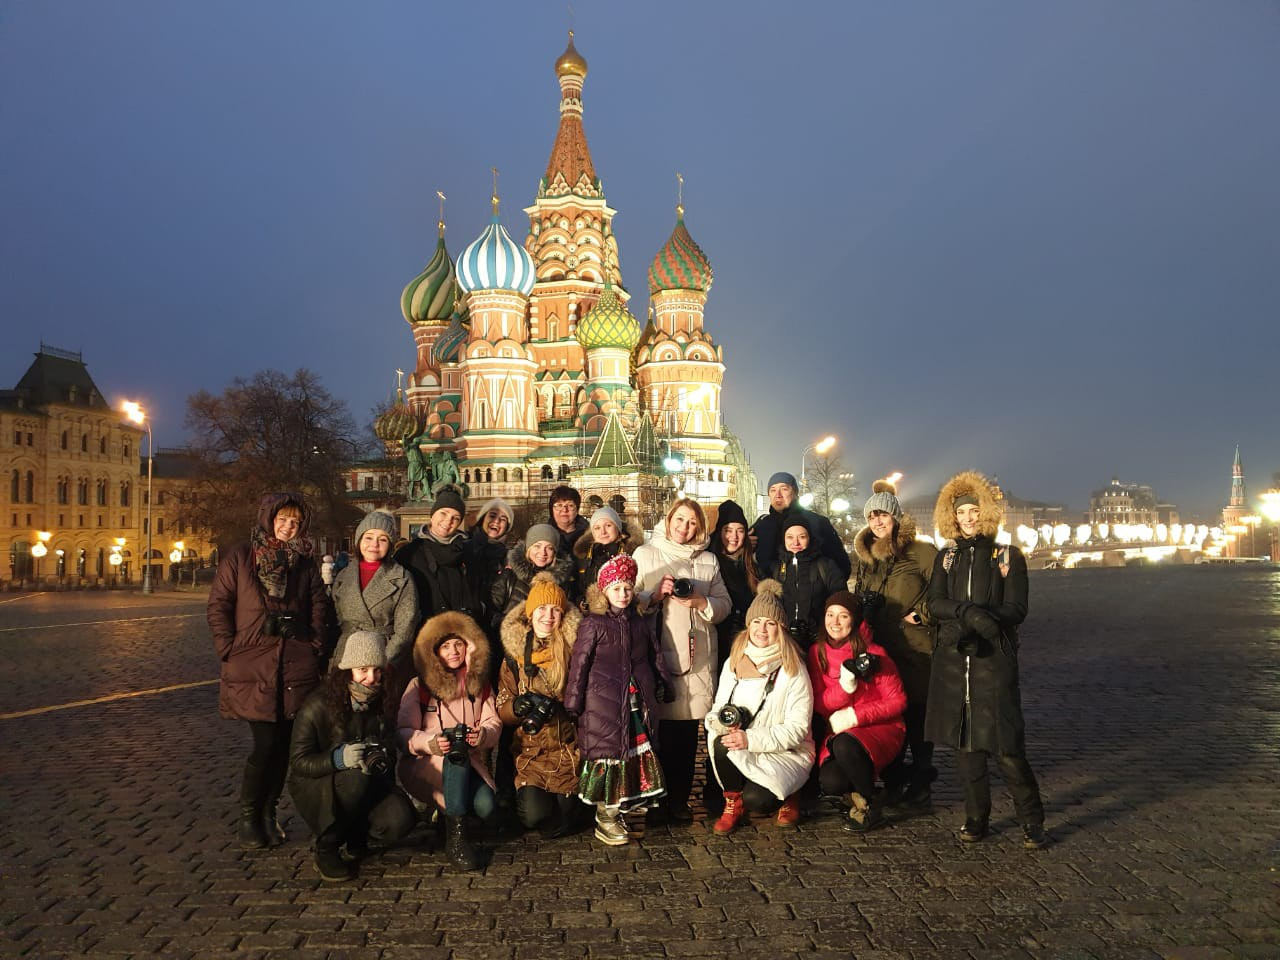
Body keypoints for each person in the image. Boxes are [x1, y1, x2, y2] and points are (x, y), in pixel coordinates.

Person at [925, 471, 1049, 849]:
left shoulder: (1007, 556)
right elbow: (935, 603)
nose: (968, 518)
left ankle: (1032, 819)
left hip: (993, 659)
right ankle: (976, 817)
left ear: (986, 513)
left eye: (974, 510)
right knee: (967, 750)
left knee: (1007, 746)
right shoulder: (946, 557)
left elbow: (1017, 608)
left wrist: (983, 620)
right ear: (953, 516)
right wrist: (967, 612)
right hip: (954, 661)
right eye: (961, 512)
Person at [208, 492, 329, 850]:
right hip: (253, 663)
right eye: (282, 520)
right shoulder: (241, 558)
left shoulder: (304, 563)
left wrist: (313, 643)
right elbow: (219, 605)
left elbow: (318, 606)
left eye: (295, 522)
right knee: (265, 745)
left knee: (286, 748)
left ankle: (269, 813)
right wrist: (228, 648)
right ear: (268, 519)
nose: (288, 527)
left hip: (294, 663)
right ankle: (250, 816)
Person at [287, 631, 417, 881]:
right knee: (355, 779)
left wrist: (382, 754)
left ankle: (355, 832)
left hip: (367, 782)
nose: (371, 678)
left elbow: (390, 747)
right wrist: (337, 758)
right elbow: (299, 762)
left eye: (377, 670)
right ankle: (326, 845)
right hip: (319, 785)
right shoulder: (317, 705)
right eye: (363, 670)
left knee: (402, 818)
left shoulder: (383, 701)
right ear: (348, 671)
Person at [633, 498, 732, 823]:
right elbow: (627, 599)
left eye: (692, 523)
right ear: (669, 519)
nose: (685, 527)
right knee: (656, 733)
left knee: (688, 736)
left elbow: (724, 604)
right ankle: (655, 802)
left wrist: (703, 602)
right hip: (657, 657)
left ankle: (679, 800)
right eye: (680, 520)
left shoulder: (708, 560)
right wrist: (654, 596)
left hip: (697, 659)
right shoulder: (646, 554)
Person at [564, 554, 670, 846]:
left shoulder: (638, 621)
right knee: (608, 759)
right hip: (603, 703)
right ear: (604, 591)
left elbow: (654, 654)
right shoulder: (593, 624)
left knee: (630, 758)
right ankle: (606, 817)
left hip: (636, 700)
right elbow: (580, 665)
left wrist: (663, 683)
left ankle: (619, 811)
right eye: (616, 588)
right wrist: (573, 702)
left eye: (627, 588)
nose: (623, 594)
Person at [852, 478, 939, 809]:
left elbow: (944, 593)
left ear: (896, 517)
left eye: (883, 515)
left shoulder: (921, 553)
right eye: (872, 516)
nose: (877, 521)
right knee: (889, 717)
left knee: (917, 717)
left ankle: (921, 781)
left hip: (916, 650)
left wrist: (923, 613)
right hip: (881, 650)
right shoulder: (866, 559)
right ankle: (894, 778)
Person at [704, 580, 815, 834]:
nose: (761, 629)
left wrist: (749, 739)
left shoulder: (793, 668)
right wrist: (721, 723)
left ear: (781, 628)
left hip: (786, 751)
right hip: (746, 743)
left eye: (770, 623)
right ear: (748, 625)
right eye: (756, 621)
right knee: (720, 743)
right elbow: (718, 707)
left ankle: (791, 795)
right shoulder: (734, 660)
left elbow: (797, 729)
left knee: (759, 801)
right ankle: (732, 802)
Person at [397, 611, 502, 870]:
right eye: (445, 646)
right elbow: (403, 732)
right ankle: (456, 840)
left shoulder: (480, 685)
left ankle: (447, 815)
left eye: (459, 644)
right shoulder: (418, 686)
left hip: (470, 761)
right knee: (455, 758)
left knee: (486, 806)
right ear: (434, 652)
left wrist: (482, 736)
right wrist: (431, 742)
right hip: (428, 766)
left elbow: (493, 722)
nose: (453, 651)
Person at [808, 592, 906, 832]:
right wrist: (845, 687)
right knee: (831, 782)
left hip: (880, 727)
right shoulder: (816, 652)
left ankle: (871, 805)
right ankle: (862, 790)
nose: (835, 622)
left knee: (844, 744)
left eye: (843, 616)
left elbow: (898, 701)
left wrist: (855, 716)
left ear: (855, 620)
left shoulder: (874, 652)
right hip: (839, 728)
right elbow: (819, 703)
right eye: (830, 615)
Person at [496, 573, 583, 836]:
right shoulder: (513, 657)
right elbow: (502, 708)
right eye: (542, 609)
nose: (548, 616)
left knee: (565, 817)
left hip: (566, 748)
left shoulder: (574, 652)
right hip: (530, 751)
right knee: (535, 816)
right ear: (530, 614)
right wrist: (517, 707)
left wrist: (563, 707)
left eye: (555, 610)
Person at [330, 509, 419, 679]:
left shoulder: (402, 577)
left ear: (390, 545)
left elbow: (405, 629)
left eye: (383, 539)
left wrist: (386, 661)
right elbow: (336, 619)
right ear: (359, 540)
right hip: (348, 656)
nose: (374, 544)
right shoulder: (343, 576)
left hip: (383, 659)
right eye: (369, 537)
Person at [752, 471, 852, 583]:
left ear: (795, 492)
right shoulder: (761, 525)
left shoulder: (817, 522)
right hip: (770, 596)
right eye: (773, 490)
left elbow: (841, 566)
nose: (778, 495)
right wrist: (745, 546)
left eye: (784, 489)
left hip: (810, 598)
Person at [394, 486, 477, 619]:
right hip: (424, 633)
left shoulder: (470, 552)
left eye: (455, 518)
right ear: (432, 516)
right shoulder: (408, 554)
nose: (448, 521)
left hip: (462, 633)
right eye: (443, 513)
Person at [775, 512, 847, 652]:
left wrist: (821, 631)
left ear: (809, 538)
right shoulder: (777, 568)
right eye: (790, 537)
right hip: (786, 643)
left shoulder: (825, 566)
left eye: (801, 537)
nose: (795, 543)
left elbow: (841, 600)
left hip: (819, 642)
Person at [489, 523, 577, 632]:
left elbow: (568, 617)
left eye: (549, 548)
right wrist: (510, 627)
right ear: (528, 548)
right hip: (511, 643)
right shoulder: (510, 576)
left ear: (555, 552)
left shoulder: (562, 582)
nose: (543, 552)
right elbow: (491, 612)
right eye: (537, 546)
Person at [708, 500, 760, 669]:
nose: (734, 537)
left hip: (746, 640)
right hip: (717, 640)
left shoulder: (752, 563)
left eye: (740, 531)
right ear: (719, 532)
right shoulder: (709, 561)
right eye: (728, 530)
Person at [465, 498, 516, 629]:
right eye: (492, 515)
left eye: (503, 519)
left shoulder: (509, 558)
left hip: (495, 626)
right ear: (482, 519)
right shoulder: (463, 549)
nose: (497, 521)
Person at [574, 505, 643, 601]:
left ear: (618, 528)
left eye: (608, 526)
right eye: (597, 528)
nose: (603, 532)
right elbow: (578, 588)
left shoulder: (632, 553)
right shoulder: (584, 555)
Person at [548, 484, 590, 555]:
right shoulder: (543, 536)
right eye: (559, 505)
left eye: (570, 505)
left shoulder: (590, 536)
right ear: (551, 509)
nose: (564, 510)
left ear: (577, 509)